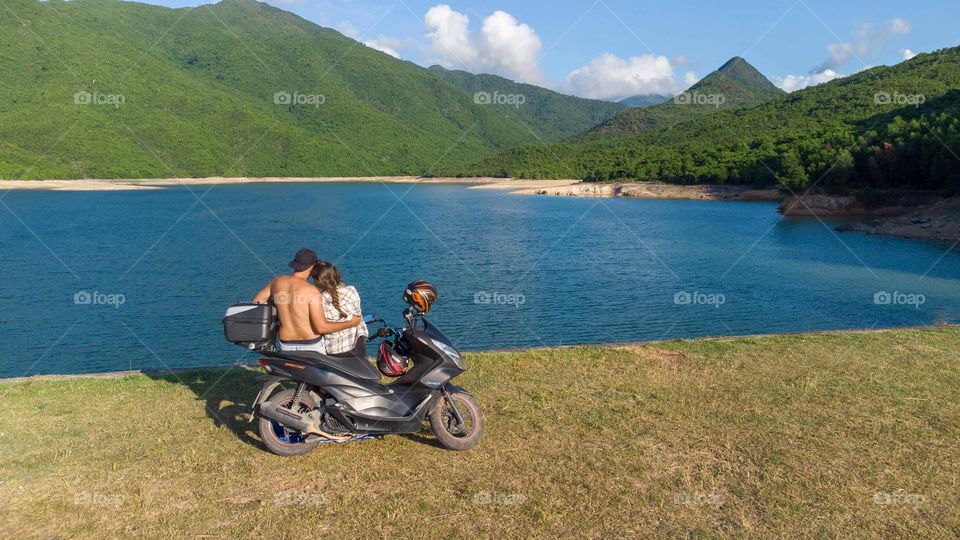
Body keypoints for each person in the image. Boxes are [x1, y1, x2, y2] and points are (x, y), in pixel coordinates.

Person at [252, 248, 361, 353]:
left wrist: (280, 304)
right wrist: (352, 323)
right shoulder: (312, 291)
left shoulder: (277, 282)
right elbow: (321, 327)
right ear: (312, 267)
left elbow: (257, 301)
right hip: (310, 344)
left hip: (286, 343)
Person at [311, 261, 368, 356]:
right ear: (336, 274)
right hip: (357, 346)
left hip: (335, 350)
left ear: (317, 281)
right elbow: (357, 317)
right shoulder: (351, 290)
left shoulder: (319, 299)